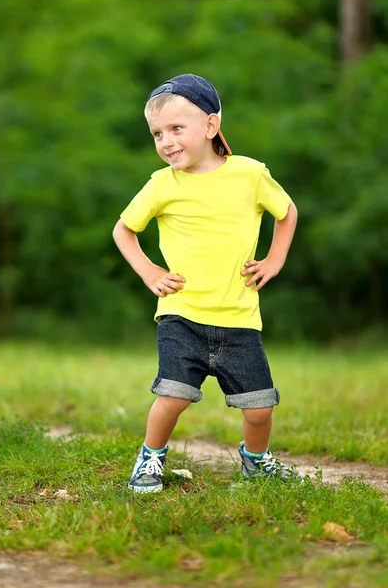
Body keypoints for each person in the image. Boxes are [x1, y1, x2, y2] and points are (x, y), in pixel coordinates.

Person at [113, 74, 298, 493]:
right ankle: (151, 458)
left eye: (177, 129)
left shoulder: (249, 175)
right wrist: (150, 271)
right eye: (157, 133)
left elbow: (286, 212)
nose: (166, 141)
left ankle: (255, 462)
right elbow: (123, 230)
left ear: (211, 126)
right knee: (173, 397)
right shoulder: (162, 184)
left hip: (239, 319)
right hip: (182, 314)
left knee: (260, 409)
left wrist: (274, 259)